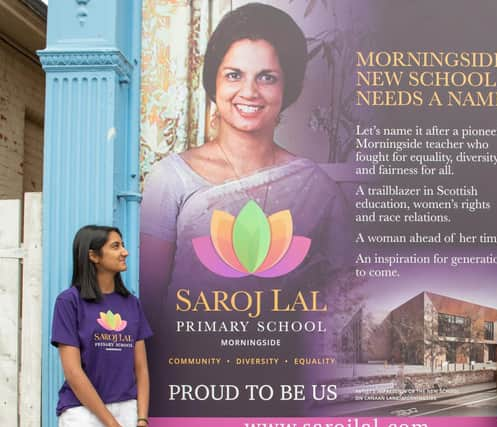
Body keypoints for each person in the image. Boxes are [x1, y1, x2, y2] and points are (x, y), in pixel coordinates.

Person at [138, 3, 350, 417]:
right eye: (234, 74)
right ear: (212, 83)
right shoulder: (171, 179)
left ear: (287, 88)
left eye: (266, 77)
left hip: (285, 394)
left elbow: (344, 305)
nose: (249, 92)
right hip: (191, 391)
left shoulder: (318, 189)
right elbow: (149, 307)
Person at [51, 226, 152, 427]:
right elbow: (73, 372)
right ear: (94, 256)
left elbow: (140, 368)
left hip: (127, 409)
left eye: (122, 245)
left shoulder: (132, 303)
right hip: (82, 411)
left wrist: (141, 418)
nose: (125, 252)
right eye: (116, 246)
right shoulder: (69, 302)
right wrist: (112, 424)